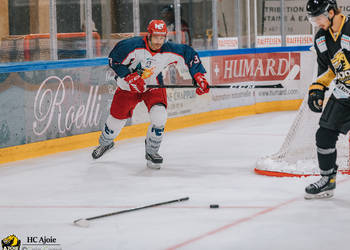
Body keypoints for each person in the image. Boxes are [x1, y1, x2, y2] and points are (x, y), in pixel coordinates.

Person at [91, 20, 209, 169]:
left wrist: (199, 76)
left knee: (159, 116)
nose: (159, 41)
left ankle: (151, 152)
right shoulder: (131, 46)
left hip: (153, 86)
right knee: (115, 120)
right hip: (127, 87)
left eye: (162, 37)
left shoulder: (168, 49)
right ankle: (106, 143)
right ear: (149, 35)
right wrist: (129, 76)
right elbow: (114, 60)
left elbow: (189, 54)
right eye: (156, 37)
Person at [304, 0, 350, 199]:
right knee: (323, 136)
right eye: (314, 20)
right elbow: (327, 70)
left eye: (319, 18)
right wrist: (318, 88)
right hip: (345, 91)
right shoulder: (321, 38)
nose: (318, 23)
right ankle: (327, 180)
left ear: (331, 12)